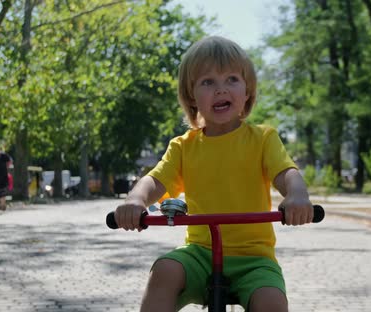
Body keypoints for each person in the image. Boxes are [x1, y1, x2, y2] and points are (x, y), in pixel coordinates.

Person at [114, 36, 313, 312]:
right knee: (165, 271)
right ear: (191, 96)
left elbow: (286, 173)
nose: (221, 90)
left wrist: (298, 195)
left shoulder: (263, 139)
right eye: (208, 82)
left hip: (254, 258)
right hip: (200, 253)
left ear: (247, 92)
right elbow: (156, 180)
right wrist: (135, 200)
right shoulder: (184, 147)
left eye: (232, 79)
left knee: (271, 301)